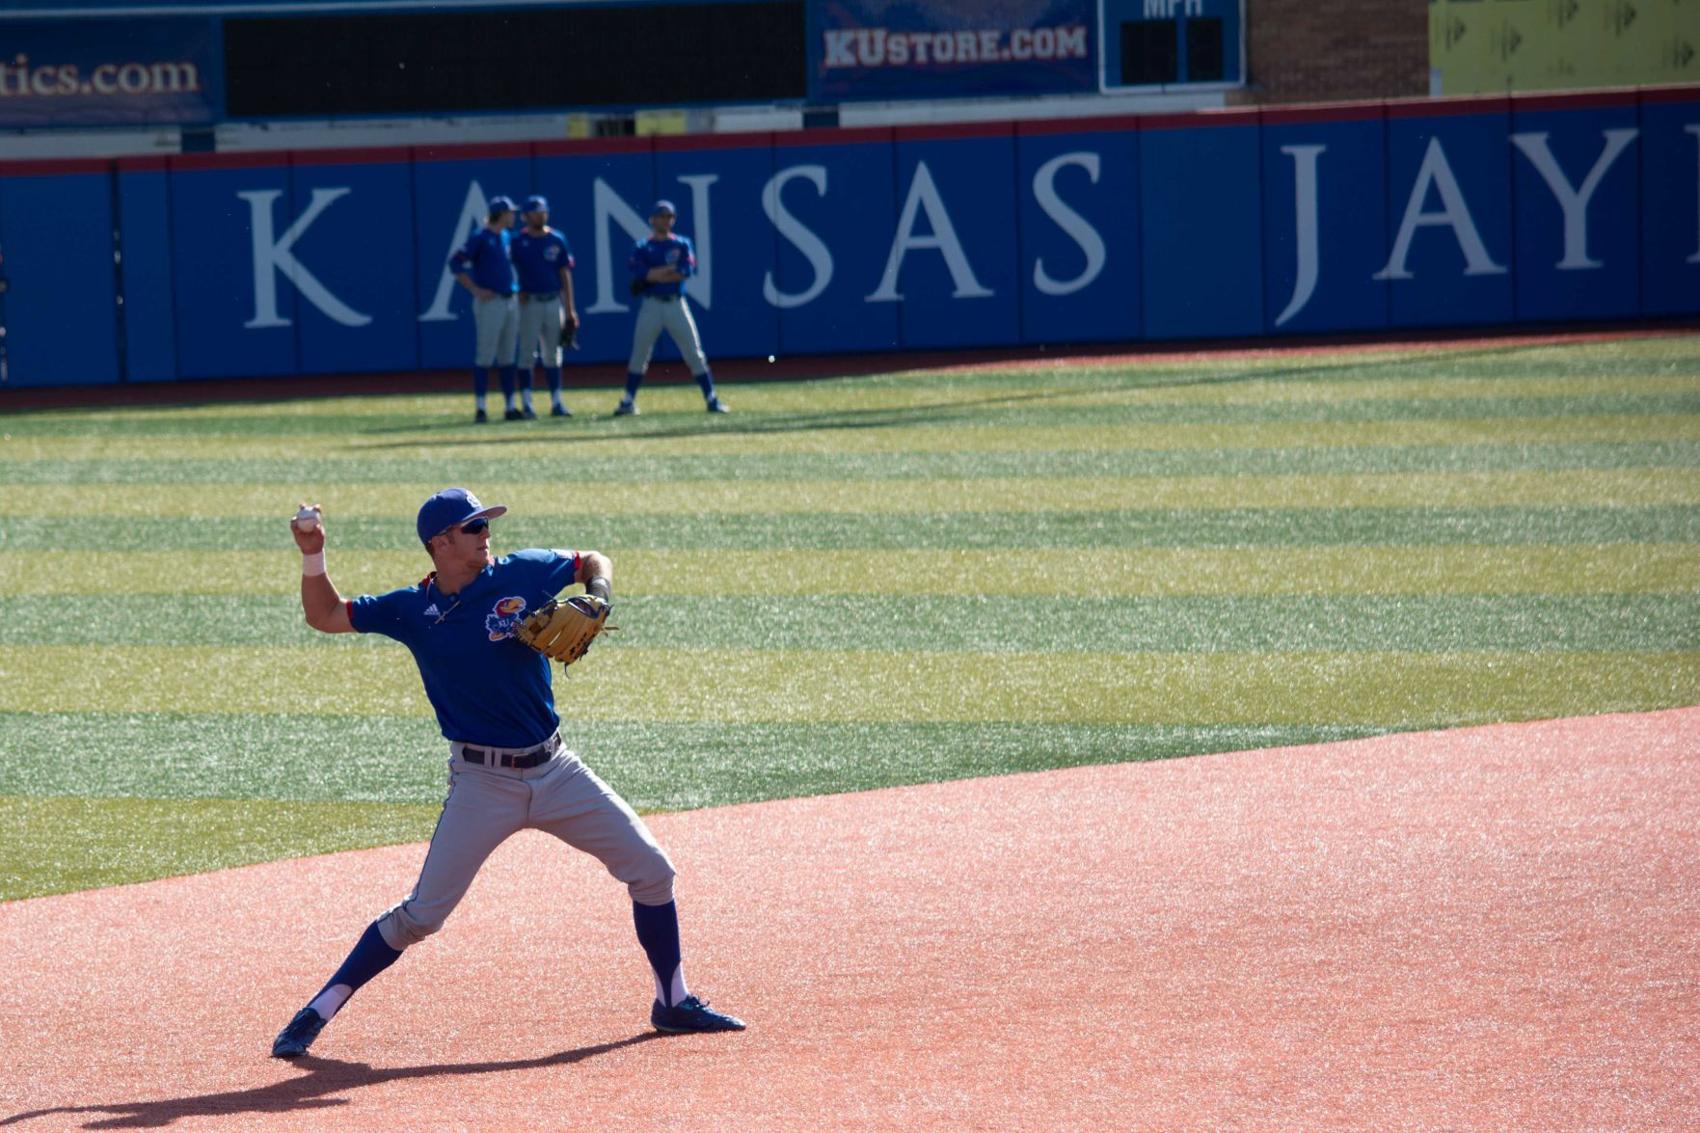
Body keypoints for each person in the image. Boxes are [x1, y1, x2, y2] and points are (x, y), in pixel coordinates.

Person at [271, 489, 746, 1058]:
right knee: (421, 917)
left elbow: (591, 559)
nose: (486, 534)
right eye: (473, 528)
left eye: (486, 525)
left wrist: (597, 594)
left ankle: (673, 1001)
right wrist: (313, 553)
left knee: (652, 871)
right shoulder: (410, 610)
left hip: (557, 770)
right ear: (441, 542)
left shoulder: (523, 571)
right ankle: (318, 1010)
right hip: (482, 784)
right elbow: (324, 616)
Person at [616, 200, 727, 416]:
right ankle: (628, 401)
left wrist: (656, 274)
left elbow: (684, 272)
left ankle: (711, 398)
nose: (666, 220)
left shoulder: (682, 244)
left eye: (669, 216)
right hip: (651, 304)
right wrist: (667, 270)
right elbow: (642, 274)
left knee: (694, 353)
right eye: (662, 216)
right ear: (652, 220)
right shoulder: (642, 246)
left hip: (676, 303)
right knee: (639, 353)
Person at [449, 196, 522, 422]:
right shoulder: (480, 237)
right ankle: (481, 408)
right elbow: (455, 262)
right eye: (510, 212)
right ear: (501, 214)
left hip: (509, 299)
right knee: (486, 355)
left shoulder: (505, 236)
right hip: (491, 302)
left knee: (508, 356)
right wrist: (475, 289)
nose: (513, 216)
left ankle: (510, 406)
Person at [511, 194, 579, 418]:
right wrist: (516, 288)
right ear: (525, 216)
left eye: (543, 212)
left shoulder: (556, 239)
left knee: (553, 354)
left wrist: (569, 309)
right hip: (529, 302)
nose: (540, 216)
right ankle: (527, 403)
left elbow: (565, 274)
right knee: (526, 354)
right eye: (535, 212)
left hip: (552, 301)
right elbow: (507, 269)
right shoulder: (517, 241)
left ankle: (557, 401)